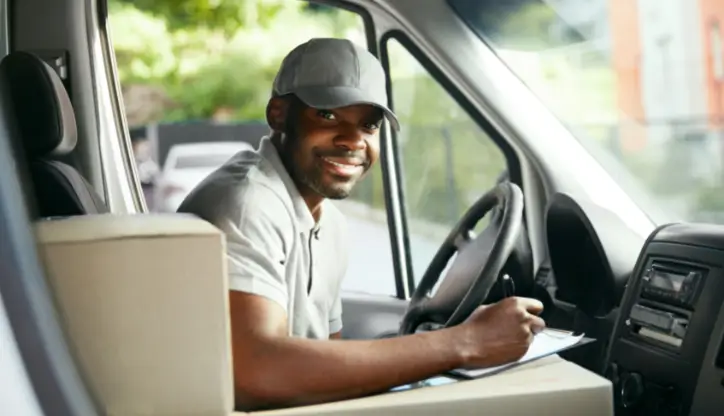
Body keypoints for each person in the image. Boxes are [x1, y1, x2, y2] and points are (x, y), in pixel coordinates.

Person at [177, 38, 546, 411]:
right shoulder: (247, 203)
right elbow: (257, 371)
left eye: (369, 125)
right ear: (278, 114)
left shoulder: (329, 222)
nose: (353, 140)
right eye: (328, 115)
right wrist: (466, 342)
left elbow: (326, 356)